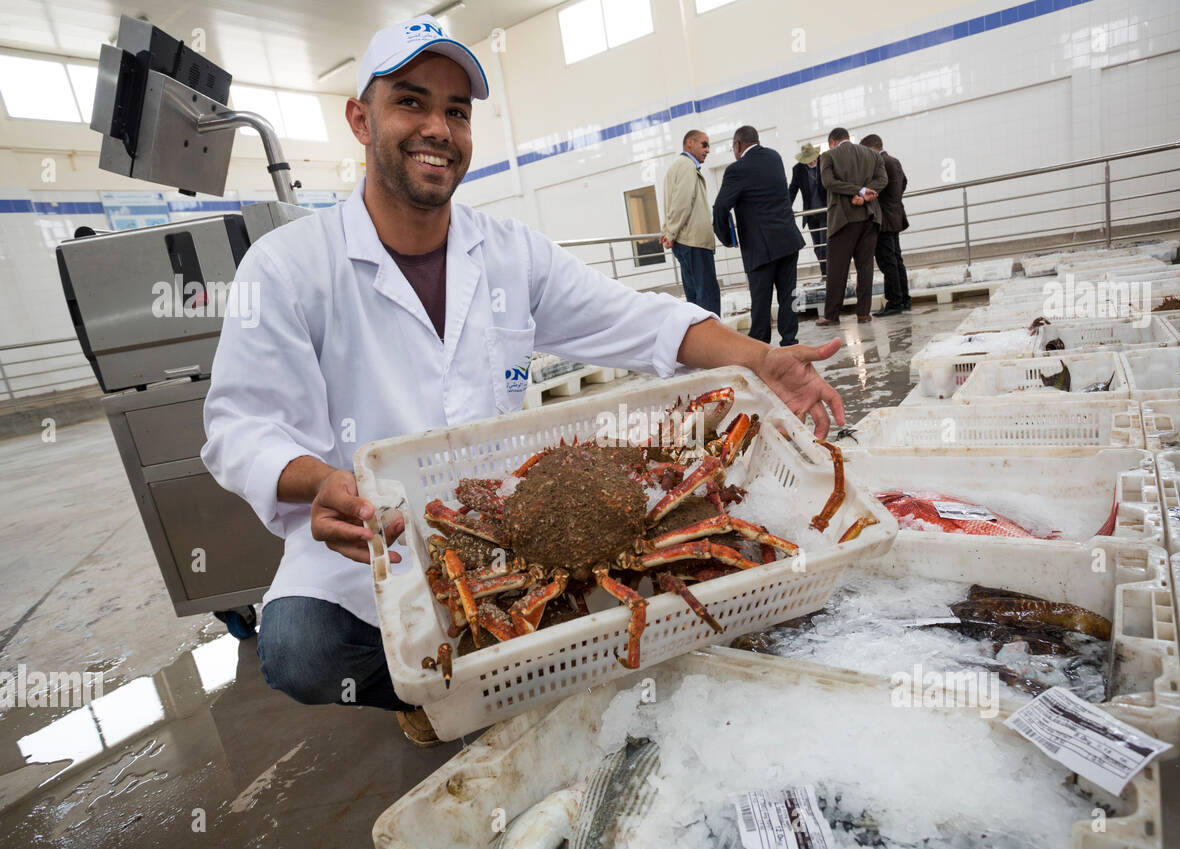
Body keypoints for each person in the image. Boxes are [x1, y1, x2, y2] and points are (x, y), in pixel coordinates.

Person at [200, 16, 846, 745]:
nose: (437, 128)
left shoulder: (510, 255)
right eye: (411, 102)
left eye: (456, 110)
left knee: (627, 560)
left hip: (504, 519)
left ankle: (522, 660)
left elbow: (639, 322)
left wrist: (758, 357)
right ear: (360, 118)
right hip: (370, 532)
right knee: (299, 648)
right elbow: (238, 427)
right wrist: (316, 479)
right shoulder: (288, 268)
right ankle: (437, 693)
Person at [711, 125, 806, 346]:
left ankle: (760, 345)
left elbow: (720, 207)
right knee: (788, 294)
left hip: (760, 246)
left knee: (761, 299)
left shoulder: (737, 169)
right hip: (788, 239)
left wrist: (726, 238)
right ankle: (790, 340)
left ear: (737, 145)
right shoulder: (774, 157)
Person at [817, 127, 887, 326]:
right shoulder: (872, 155)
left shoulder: (828, 156)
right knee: (865, 267)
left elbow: (828, 182)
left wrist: (859, 190)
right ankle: (863, 313)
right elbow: (883, 180)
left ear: (832, 141)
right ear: (848, 138)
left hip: (843, 219)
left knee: (837, 269)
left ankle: (831, 315)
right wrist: (865, 192)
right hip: (870, 217)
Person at [660, 129, 720, 315]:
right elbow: (681, 202)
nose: (708, 149)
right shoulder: (687, 166)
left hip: (686, 242)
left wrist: (668, 231)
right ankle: (712, 342)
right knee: (707, 297)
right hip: (694, 243)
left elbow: (672, 203)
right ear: (689, 143)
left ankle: (701, 342)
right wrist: (669, 233)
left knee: (695, 298)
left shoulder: (678, 166)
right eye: (704, 144)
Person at [861, 134, 910, 317]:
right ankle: (904, 299)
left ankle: (894, 302)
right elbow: (904, 182)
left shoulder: (880, 163)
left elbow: (876, 188)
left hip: (884, 219)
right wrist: (894, 201)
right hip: (896, 215)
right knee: (897, 260)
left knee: (887, 261)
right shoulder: (894, 161)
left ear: (870, 148)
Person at [788, 143, 828, 279]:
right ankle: (825, 274)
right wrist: (786, 208)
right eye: (809, 159)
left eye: (814, 158)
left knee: (825, 246)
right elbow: (792, 190)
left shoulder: (825, 162)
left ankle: (828, 275)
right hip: (811, 215)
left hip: (826, 212)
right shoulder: (798, 169)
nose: (812, 161)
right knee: (817, 247)